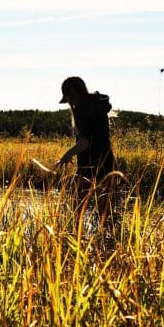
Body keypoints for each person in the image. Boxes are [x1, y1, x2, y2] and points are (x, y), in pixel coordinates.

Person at [54, 76, 116, 224]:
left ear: (75, 92)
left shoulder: (85, 109)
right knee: (106, 212)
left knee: (77, 207)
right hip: (106, 162)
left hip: (91, 165)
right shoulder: (96, 106)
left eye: (69, 97)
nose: (70, 102)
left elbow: (86, 140)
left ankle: (74, 235)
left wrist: (67, 155)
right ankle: (109, 241)